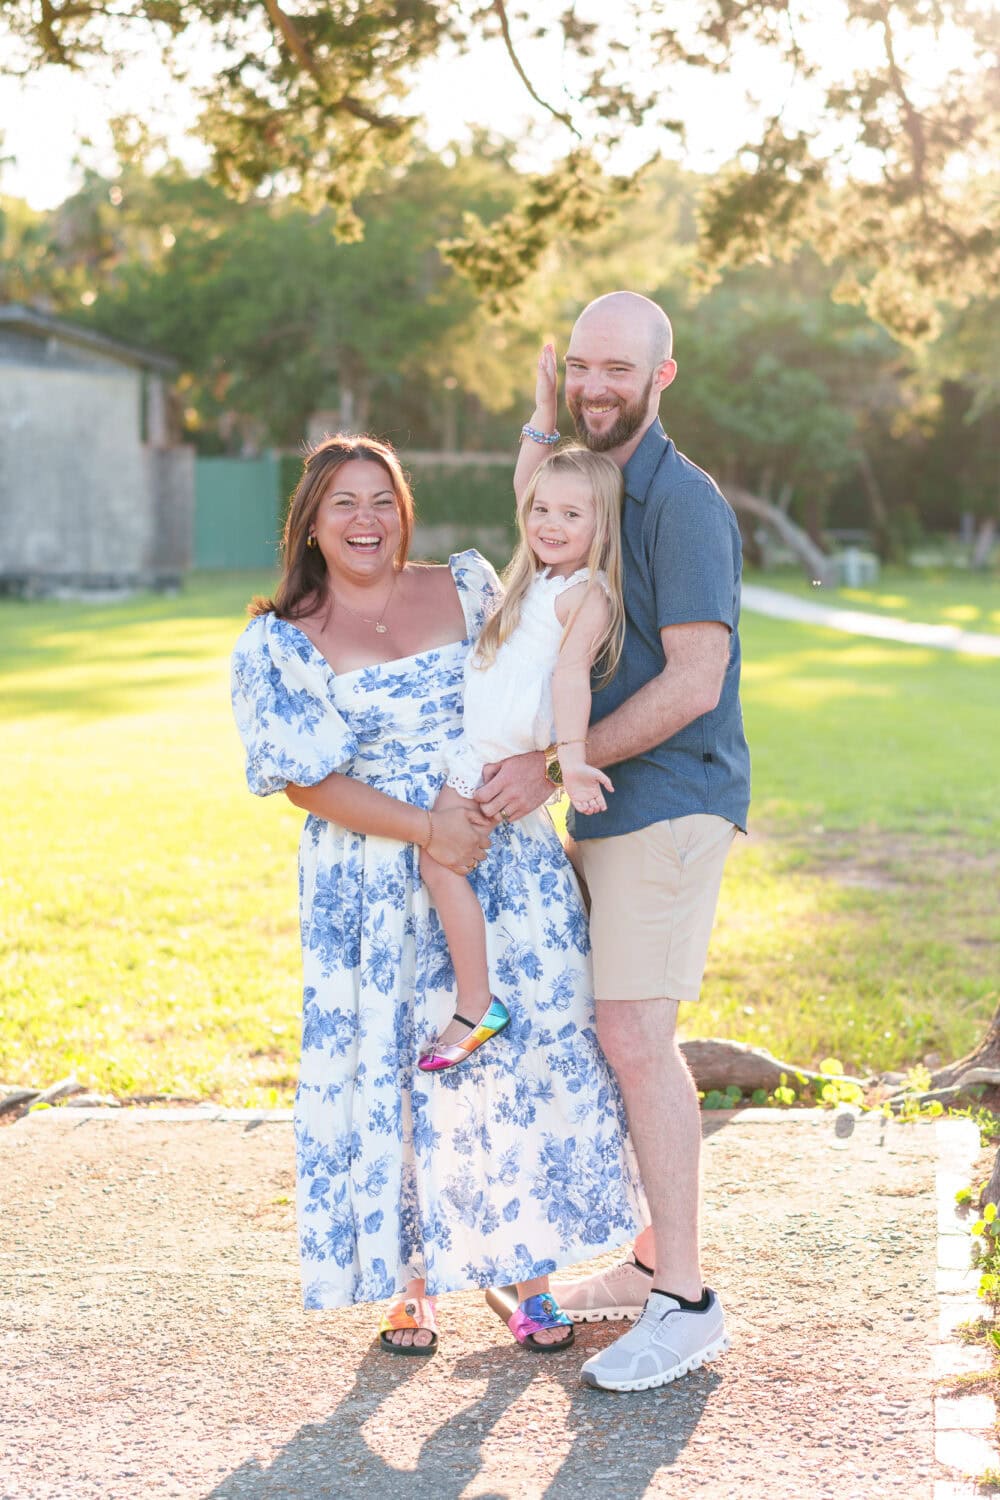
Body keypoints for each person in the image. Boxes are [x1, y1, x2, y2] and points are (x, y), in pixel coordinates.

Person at [230, 433, 646, 1359]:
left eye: (383, 499)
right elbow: (306, 783)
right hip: (377, 881)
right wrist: (427, 832)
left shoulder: (464, 587)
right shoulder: (281, 638)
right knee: (401, 1074)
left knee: (516, 1060)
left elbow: (543, 656)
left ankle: (533, 1285)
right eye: (344, 502)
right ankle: (408, 1289)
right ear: (310, 521)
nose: (367, 520)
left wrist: (539, 769)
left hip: (500, 855)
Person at [474, 293, 751, 1393]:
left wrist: (546, 766)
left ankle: (685, 1300)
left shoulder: (682, 505)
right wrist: (541, 424)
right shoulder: (592, 486)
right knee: (612, 1035)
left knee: (635, 1034)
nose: (596, 386)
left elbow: (696, 680)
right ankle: (646, 1263)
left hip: (668, 798)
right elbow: (534, 504)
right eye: (579, 367)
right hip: (600, 807)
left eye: (616, 371)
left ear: (662, 377)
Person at [417, 436, 625, 1072]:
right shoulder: (536, 577)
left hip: (500, 752)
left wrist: (570, 757)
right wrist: (541, 414)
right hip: (476, 748)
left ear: (602, 525)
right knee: (441, 863)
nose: (550, 524)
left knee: (439, 863)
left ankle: (478, 1004)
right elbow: (528, 483)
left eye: (572, 515)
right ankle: (479, 998)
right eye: (542, 511)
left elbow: (569, 676)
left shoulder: (585, 593)